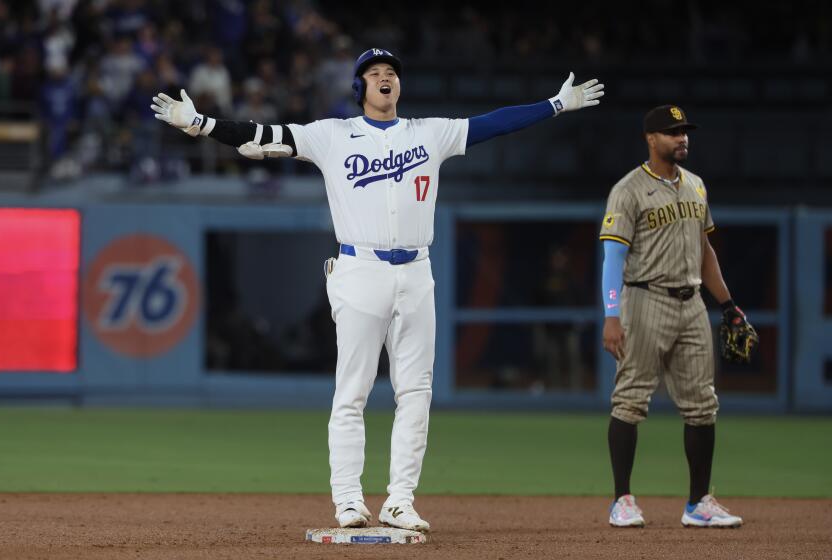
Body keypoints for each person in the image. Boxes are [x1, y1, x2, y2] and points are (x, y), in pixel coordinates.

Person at [152, 47, 604, 532]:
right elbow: (259, 137)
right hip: (359, 268)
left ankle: (400, 500)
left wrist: (554, 104)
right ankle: (347, 499)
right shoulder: (331, 135)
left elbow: (493, 123)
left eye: (391, 72)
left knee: (417, 392)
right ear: (360, 87)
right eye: (374, 73)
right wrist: (198, 123)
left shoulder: (429, 133)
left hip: (416, 273)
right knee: (353, 391)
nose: (385, 78)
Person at [599, 105, 751, 528]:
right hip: (644, 300)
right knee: (630, 400)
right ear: (651, 139)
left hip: (692, 305)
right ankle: (622, 500)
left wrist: (727, 305)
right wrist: (612, 314)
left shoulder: (696, 187)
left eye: (684, 131)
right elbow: (613, 256)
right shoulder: (628, 190)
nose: (682, 138)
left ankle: (698, 503)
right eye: (672, 132)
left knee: (703, 406)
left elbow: (705, 253)